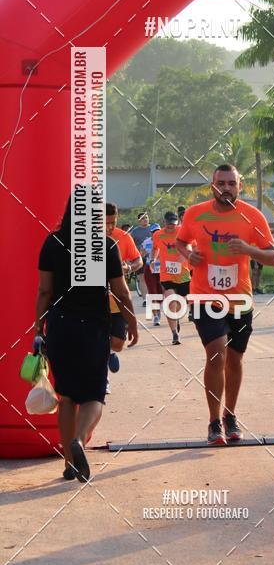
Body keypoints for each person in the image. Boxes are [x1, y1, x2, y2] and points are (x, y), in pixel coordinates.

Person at [34, 195, 138, 482]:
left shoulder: (52, 243)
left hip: (60, 328)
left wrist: (37, 327)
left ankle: (69, 462)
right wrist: (131, 322)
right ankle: (79, 439)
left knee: (66, 397)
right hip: (94, 329)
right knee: (94, 394)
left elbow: (44, 291)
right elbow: (121, 291)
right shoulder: (105, 246)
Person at [176, 164, 274, 445]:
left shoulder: (252, 215)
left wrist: (248, 250)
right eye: (221, 183)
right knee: (216, 353)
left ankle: (229, 415)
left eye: (231, 183)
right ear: (212, 186)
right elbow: (181, 241)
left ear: (239, 186)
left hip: (239, 298)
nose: (226, 188)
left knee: (234, 358)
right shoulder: (195, 214)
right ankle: (213, 421)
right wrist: (189, 256)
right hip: (204, 296)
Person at [106, 203, 142, 376]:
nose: (109, 227)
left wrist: (128, 268)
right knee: (96, 340)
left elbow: (138, 260)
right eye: (105, 223)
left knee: (118, 343)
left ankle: (110, 353)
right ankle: (102, 378)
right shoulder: (87, 239)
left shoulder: (123, 237)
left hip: (117, 300)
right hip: (95, 301)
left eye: (113, 222)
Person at [151, 211, 190, 345]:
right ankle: (174, 333)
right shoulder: (157, 234)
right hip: (166, 274)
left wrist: (185, 254)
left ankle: (177, 318)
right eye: (168, 225)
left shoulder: (183, 231)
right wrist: (153, 259)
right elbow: (156, 248)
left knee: (180, 303)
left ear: (177, 222)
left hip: (183, 274)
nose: (171, 227)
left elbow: (190, 245)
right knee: (170, 302)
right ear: (164, 223)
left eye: (173, 225)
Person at [130, 212, 151, 300]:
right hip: (141, 258)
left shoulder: (154, 228)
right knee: (142, 278)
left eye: (146, 217)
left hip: (154, 258)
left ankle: (158, 298)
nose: (145, 219)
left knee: (155, 278)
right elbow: (131, 245)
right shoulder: (134, 232)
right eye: (142, 218)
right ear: (139, 221)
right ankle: (145, 299)